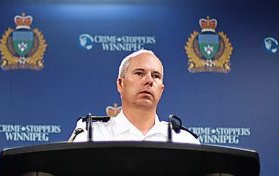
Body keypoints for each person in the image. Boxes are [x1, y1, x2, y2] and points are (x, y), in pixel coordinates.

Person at [69, 49, 200, 144]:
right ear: (120, 84)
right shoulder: (91, 137)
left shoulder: (185, 141)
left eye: (156, 76)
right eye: (139, 73)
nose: (149, 80)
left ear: (161, 90)